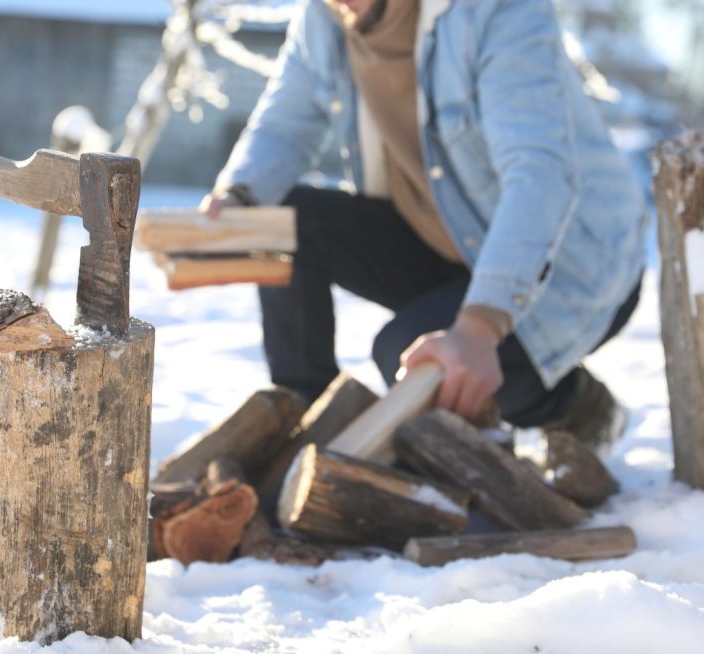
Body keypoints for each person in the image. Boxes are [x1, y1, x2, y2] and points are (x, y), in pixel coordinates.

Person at [200, 0, 646, 451]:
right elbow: (286, 126)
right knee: (284, 223)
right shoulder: (324, 17)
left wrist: (478, 328)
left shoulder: (497, 11)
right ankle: (309, 428)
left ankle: (575, 405)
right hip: (449, 245)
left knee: (415, 358)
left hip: (572, 265)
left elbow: (539, 175)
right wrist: (238, 198)